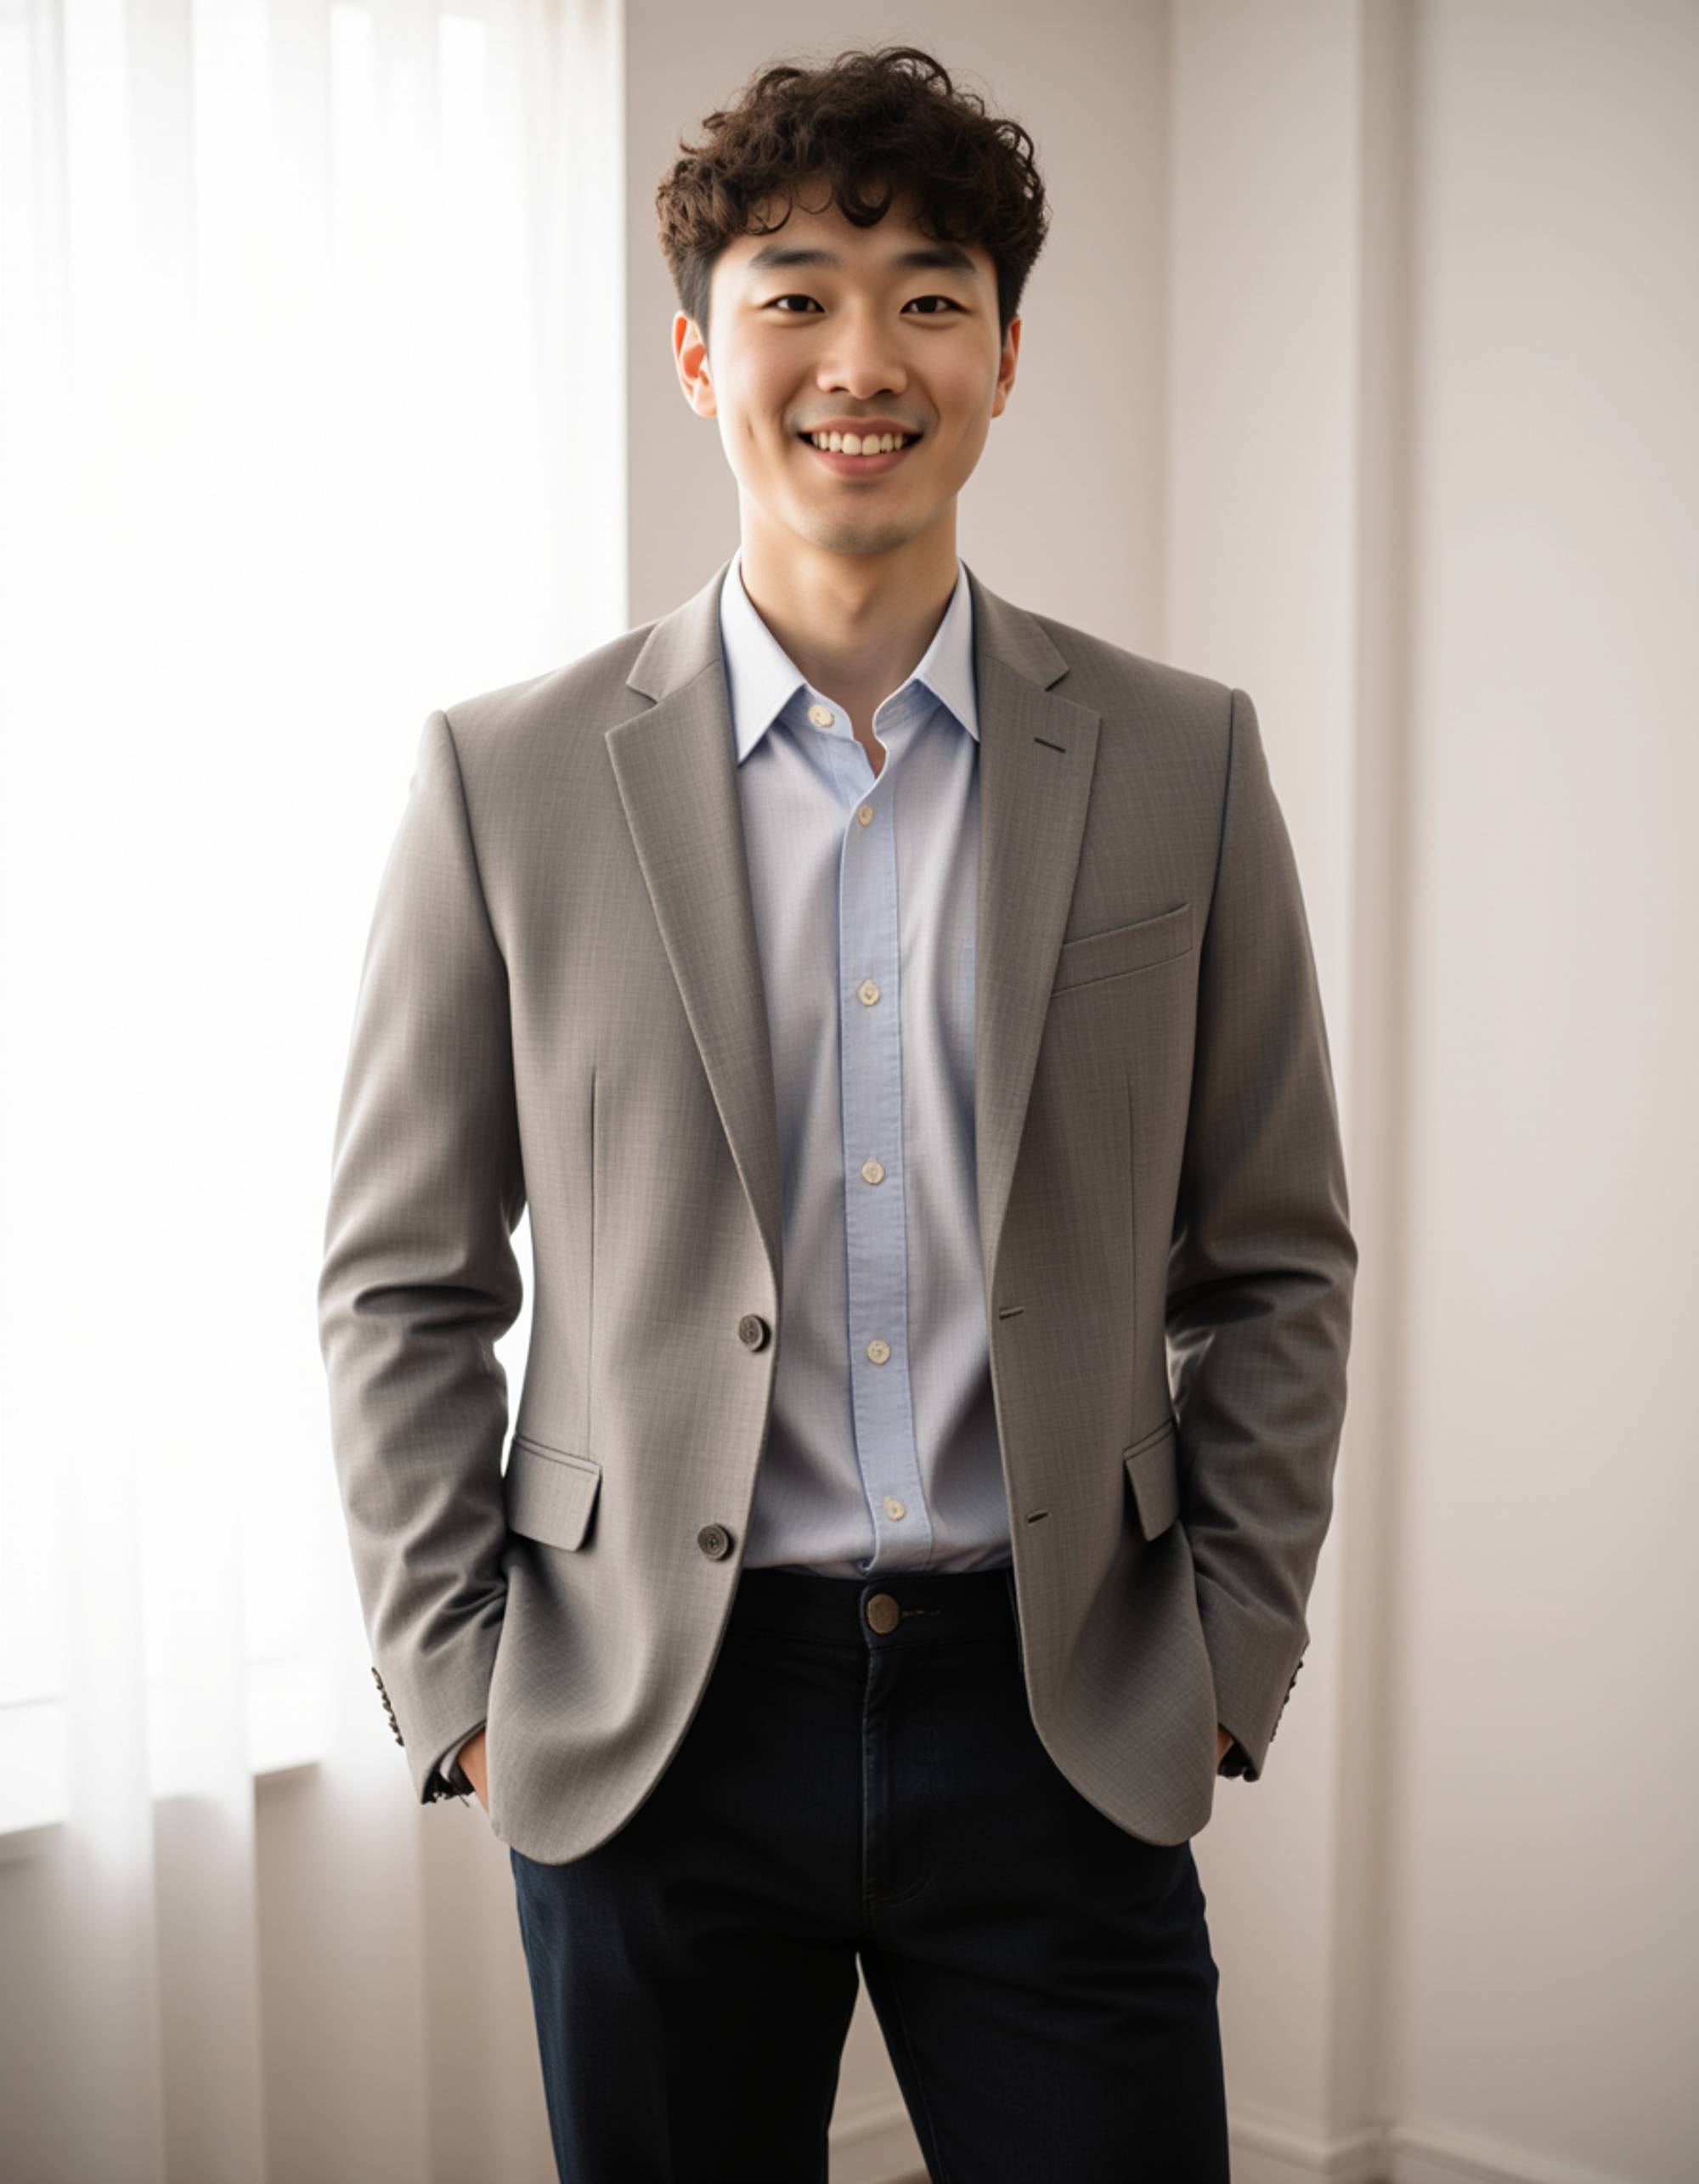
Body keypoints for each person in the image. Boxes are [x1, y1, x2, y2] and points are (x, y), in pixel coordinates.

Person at [317, 42, 1356, 2184]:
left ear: (1002, 356)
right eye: (794, 293)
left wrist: (1229, 1657)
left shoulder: (1181, 757)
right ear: (698, 351)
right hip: (653, 1723)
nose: (859, 358)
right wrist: (470, 1689)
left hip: (1057, 1695)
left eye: (929, 293)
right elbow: (401, 1279)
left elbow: (1273, 1255)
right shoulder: (502, 780)